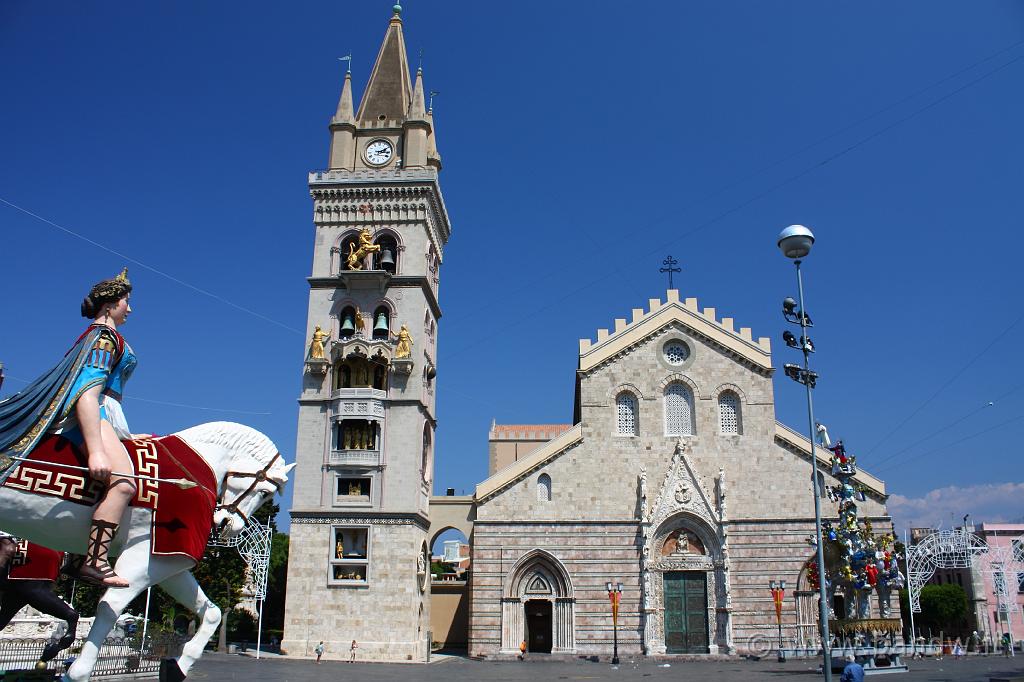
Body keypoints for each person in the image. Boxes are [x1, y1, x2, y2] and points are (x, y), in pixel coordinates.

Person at [0, 269, 139, 588]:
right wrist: (96, 451)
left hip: (108, 415)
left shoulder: (103, 336)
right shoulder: (104, 338)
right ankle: (94, 561)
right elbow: (88, 393)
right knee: (124, 485)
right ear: (110, 305)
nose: (129, 309)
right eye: (125, 302)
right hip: (95, 412)